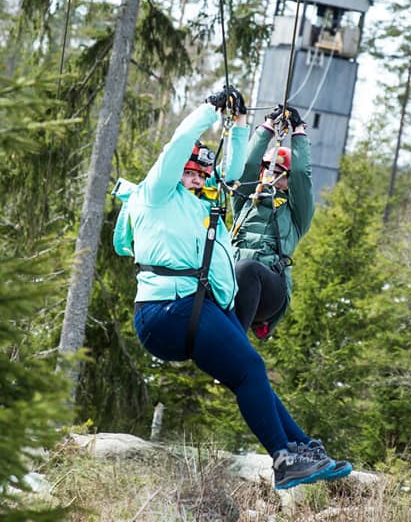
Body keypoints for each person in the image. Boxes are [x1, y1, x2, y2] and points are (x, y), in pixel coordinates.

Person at [125, 89, 351, 490]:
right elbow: (188, 150)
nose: (195, 180)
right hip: (170, 309)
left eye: (199, 174)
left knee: (251, 371)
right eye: (189, 172)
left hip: (214, 302)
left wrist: (249, 126)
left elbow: (233, 175)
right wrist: (213, 111)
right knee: (250, 368)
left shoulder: (202, 205)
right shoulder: (157, 191)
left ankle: (300, 448)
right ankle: (285, 458)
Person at [231, 104, 313, 340]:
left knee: (247, 270)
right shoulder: (246, 200)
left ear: (286, 179)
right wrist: (267, 126)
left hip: (269, 286)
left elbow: (301, 176)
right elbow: (247, 166)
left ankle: (236, 343)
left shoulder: (296, 212)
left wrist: (298, 132)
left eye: (277, 171)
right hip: (232, 277)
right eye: (267, 169)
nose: (269, 174)